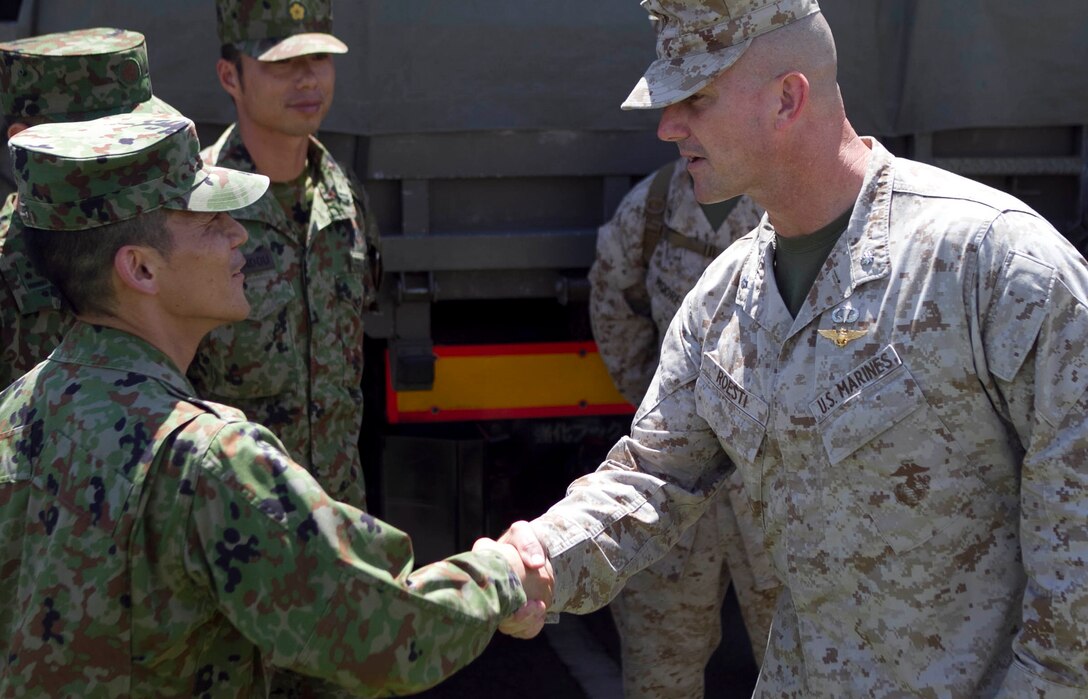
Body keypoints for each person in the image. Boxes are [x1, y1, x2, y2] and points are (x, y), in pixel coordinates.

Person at [493, 0, 1088, 695]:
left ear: (786, 99)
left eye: (696, 98)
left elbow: (1076, 560)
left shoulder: (993, 266)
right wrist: (535, 557)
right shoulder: (725, 303)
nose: (666, 125)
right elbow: (652, 477)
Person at [0, 112, 545, 697]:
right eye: (210, 221)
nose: (239, 233)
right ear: (140, 268)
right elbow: (382, 633)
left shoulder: (18, 410)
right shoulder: (208, 458)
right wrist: (504, 575)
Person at [589, 160, 778, 697]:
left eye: (703, 104)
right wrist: (665, 411)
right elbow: (613, 305)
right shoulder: (651, 209)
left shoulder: (795, 199)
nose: (682, 126)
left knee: (804, 664)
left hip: (773, 483)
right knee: (659, 667)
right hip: (674, 481)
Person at [189, 0, 380, 514]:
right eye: (279, 62)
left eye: (318, 58)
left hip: (338, 520)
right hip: (236, 523)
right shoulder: (195, 209)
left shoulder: (345, 199)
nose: (306, 79)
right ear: (231, 76)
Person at [0, 27, 180, 387]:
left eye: (135, 132)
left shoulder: (174, 243)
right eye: (103, 139)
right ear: (23, 140)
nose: (132, 153)